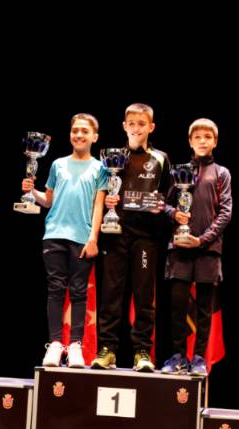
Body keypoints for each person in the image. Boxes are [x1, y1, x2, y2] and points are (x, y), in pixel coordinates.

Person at [21, 113, 108, 368]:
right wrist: (32, 191)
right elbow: (49, 201)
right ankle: (55, 344)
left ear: (95, 137)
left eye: (84, 131)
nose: (79, 135)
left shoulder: (101, 168)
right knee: (55, 290)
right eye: (75, 130)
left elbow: (99, 206)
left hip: (82, 237)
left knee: (79, 292)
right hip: (54, 234)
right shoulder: (57, 165)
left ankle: (76, 346)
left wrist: (93, 238)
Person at [91, 103, 171, 372]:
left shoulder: (161, 158)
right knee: (111, 294)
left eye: (142, 124)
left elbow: (170, 197)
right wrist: (109, 202)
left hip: (146, 238)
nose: (137, 128)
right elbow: (101, 193)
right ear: (124, 126)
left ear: (151, 127)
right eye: (132, 124)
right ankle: (107, 349)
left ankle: (142, 351)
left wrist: (161, 206)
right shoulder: (112, 157)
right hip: (115, 234)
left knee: (144, 295)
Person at [160, 118, 232, 376]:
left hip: (208, 251)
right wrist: (173, 214)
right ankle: (178, 356)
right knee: (177, 307)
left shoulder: (221, 173)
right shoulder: (178, 171)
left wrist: (202, 239)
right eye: (198, 137)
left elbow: (226, 212)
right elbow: (162, 203)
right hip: (179, 249)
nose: (202, 141)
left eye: (207, 137)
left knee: (204, 309)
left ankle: (199, 357)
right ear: (190, 141)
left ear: (215, 142)